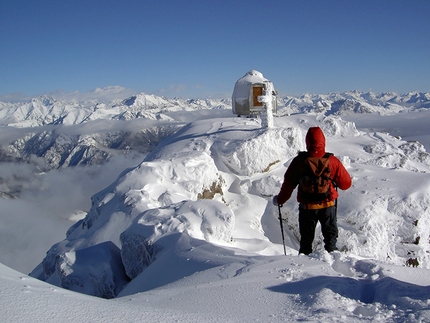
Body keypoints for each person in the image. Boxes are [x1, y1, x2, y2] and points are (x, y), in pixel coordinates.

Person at [273, 126, 352, 255]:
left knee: (306, 242)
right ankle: (334, 262)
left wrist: (280, 200)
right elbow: (346, 184)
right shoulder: (332, 161)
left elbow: (288, 184)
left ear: (307, 142)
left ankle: (305, 267)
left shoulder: (299, 161)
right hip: (328, 205)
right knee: (331, 240)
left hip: (307, 207)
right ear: (323, 142)